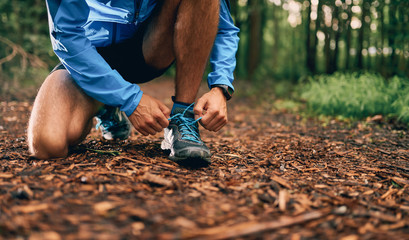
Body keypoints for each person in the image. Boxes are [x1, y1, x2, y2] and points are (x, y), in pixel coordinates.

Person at [27, 0, 239, 166]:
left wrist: (220, 86)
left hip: (148, 47)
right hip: (89, 56)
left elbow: (224, 26)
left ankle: (183, 116)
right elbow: (66, 35)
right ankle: (106, 104)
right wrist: (130, 100)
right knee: (48, 144)